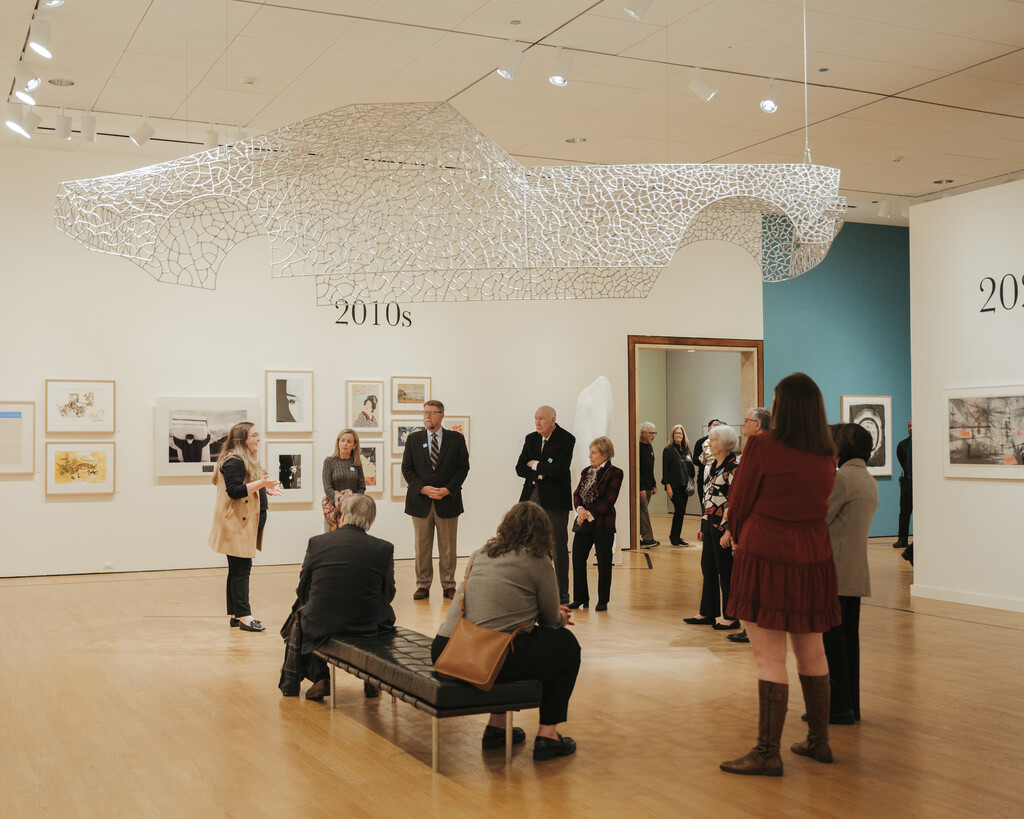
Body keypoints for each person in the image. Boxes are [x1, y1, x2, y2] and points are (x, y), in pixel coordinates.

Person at [719, 373, 840, 777]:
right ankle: (819, 741)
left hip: (767, 553)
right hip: (813, 556)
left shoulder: (763, 446)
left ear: (783, 406)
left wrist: (733, 531)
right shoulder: (826, 452)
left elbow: (740, 497)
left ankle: (767, 753)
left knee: (768, 658)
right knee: (812, 650)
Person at [431, 502, 581, 761]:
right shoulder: (538, 559)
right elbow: (548, 621)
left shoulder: (480, 553)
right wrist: (561, 617)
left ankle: (497, 727)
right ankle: (547, 734)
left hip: (447, 648)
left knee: (509, 639)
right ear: (542, 531)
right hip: (488, 654)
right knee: (566, 645)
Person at [289, 494, 396, 701]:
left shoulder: (317, 543)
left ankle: (320, 677)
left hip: (322, 623)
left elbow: (302, 591)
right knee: (384, 618)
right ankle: (371, 679)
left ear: (344, 514)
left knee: (305, 614)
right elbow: (388, 594)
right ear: (371, 519)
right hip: (367, 624)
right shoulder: (384, 548)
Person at [823, 423, 878, 723]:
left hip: (835, 571)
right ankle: (849, 705)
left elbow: (819, 517)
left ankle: (838, 706)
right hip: (854, 570)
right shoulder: (866, 478)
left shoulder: (842, 478)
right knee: (847, 642)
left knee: (833, 643)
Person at [207, 421, 282, 633]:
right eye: (255, 435)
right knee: (241, 570)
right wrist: (261, 485)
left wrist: (266, 489)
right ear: (243, 439)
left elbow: (249, 484)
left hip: (242, 522)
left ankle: (235, 614)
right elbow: (235, 491)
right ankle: (245, 617)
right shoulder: (234, 461)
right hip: (237, 524)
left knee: (236, 569)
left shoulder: (242, 459)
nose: (259, 439)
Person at [402, 400, 470, 600]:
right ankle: (422, 585)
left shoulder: (455, 439)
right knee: (422, 547)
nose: (427, 416)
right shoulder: (414, 439)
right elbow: (407, 469)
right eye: (425, 412)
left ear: (442, 415)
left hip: (447, 501)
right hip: (420, 501)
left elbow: (463, 468)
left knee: (448, 547)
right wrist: (422, 488)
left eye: (432, 413)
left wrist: (448, 489)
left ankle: (448, 584)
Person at [516, 406, 576, 604]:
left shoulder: (566, 439)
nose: (537, 423)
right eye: (535, 419)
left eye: (541, 419)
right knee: (527, 543)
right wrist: (541, 472)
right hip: (531, 496)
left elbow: (559, 470)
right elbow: (519, 468)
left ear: (553, 419)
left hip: (555, 501)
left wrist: (534, 465)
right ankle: (532, 589)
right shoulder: (531, 438)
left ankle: (562, 592)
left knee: (557, 546)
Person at [684, 424, 741, 630]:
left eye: (713, 439)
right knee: (708, 569)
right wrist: (702, 523)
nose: (709, 443)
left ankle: (731, 615)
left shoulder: (733, 467)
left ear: (725, 443)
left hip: (722, 527)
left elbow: (735, 501)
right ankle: (707, 612)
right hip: (709, 524)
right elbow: (708, 499)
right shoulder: (713, 467)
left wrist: (729, 529)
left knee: (726, 571)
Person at [729, 407, 772, 645]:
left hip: (754, 531)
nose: (742, 424)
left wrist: (734, 530)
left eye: (745, 420)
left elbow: (742, 494)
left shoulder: (758, 448)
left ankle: (754, 630)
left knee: (753, 585)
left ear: (757, 424)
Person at [569, 436, 624, 612]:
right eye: (590, 452)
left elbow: (609, 500)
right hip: (584, 523)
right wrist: (579, 510)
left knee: (604, 562)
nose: (590, 456)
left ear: (605, 454)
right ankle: (580, 598)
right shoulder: (586, 471)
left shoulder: (615, 472)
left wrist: (588, 513)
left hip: (603, 524)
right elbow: (577, 494)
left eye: (594, 453)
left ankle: (603, 600)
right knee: (577, 558)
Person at [321, 428, 366, 532]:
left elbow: (361, 487)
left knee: (351, 544)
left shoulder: (356, 463)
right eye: (342, 440)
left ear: (354, 445)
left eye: (349, 441)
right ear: (338, 442)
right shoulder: (329, 461)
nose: (345, 444)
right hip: (333, 511)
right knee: (331, 543)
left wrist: (350, 504)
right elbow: (327, 487)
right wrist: (341, 505)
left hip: (353, 511)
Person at [662, 424, 696, 547]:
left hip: (685, 485)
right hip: (674, 485)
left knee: (681, 511)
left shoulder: (687, 450)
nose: (678, 435)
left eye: (680, 433)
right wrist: (668, 486)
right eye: (676, 433)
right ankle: (673, 536)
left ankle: (677, 536)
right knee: (680, 509)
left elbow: (691, 470)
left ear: (683, 436)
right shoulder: (668, 450)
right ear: (672, 435)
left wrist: (691, 486)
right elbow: (665, 470)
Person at [638, 421, 659, 547]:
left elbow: (650, 468)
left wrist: (654, 484)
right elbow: (637, 470)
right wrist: (640, 488)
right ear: (642, 433)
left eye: (654, 433)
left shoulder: (649, 447)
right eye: (650, 433)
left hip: (648, 486)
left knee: (642, 513)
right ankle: (648, 538)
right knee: (643, 511)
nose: (653, 435)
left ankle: (635, 536)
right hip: (641, 487)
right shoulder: (637, 447)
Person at [895, 419, 913, 565]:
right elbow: (902, 461)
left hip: (921, 481)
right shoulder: (902, 445)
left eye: (913, 425)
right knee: (904, 511)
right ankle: (902, 539)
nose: (910, 428)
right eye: (908, 426)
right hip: (907, 480)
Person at [693, 419, 723, 505]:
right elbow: (695, 460)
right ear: (709, 428)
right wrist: (703, 458)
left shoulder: (722, 442)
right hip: (704, 476)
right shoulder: (701, 442)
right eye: (715, 425)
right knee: (704, 503)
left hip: (718, 477)